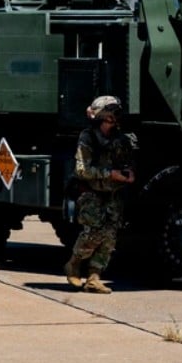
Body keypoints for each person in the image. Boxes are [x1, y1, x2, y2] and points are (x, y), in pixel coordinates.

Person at [64, 95, 136, 294]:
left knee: (110, 237)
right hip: (91, 192)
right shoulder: (88, 137)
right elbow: (82, 170)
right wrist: (109, 174)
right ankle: (74, 265)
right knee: (92, 233)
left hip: (112, 193)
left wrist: (127, 173)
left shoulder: (119, 139)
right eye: (109, 117)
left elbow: (125, 161)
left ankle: (94, 277)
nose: (113, 121)